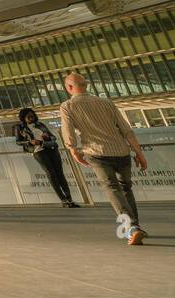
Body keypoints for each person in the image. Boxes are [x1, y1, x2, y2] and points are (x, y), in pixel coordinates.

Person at [59, 72, 149, 245]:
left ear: (69, 88)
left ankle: (132, 228)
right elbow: (127, 130)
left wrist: (73, 151)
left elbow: (68, 133)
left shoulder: (67, 106)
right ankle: (134, 227)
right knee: (126, 188)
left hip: (96, 153)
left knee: (112, 188)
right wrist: (139, 153)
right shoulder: (106, 103)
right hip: (121, 151)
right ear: (86, 85)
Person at [15, 107, 78, 207]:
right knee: (51, 174)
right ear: (23, 118)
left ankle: (69, 199)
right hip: (38, 151)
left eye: (33, 116)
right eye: (29, 117)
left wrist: (48, 137)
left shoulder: (40, 125)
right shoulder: (20, 128)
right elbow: (18, 141)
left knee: (60, 174)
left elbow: (53, 137)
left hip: (51, 148)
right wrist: (30, 142)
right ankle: (63, 200)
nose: (32, 118)